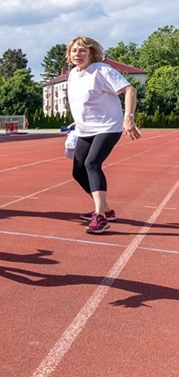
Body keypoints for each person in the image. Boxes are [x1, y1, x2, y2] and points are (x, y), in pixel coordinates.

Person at [65, 36, 141, 234]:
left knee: (92, 163)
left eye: (82, 50)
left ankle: (100, 217)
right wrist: (77, 121)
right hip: (84, 129)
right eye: (74, 51)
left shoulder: (101, 70)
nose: (78, 54)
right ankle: (106, 209)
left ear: (91, 53)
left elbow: (130, 89)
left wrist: (128, 118)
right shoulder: (73, 74)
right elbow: (82, 101)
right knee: (78, 170)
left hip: (108, 127)